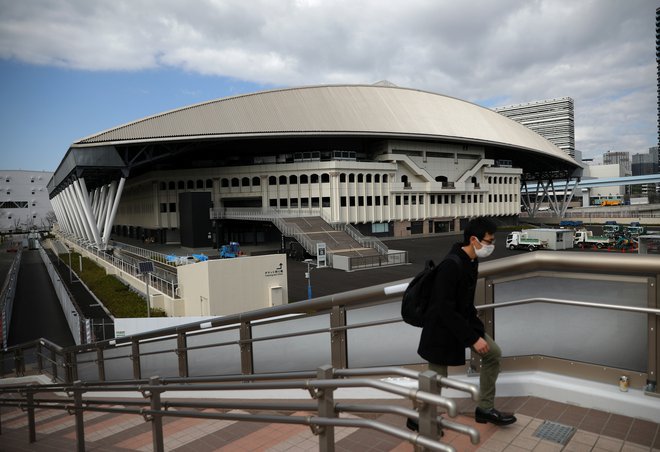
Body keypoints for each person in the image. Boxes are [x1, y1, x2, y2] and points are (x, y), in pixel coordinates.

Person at [411, 217, 516, 430]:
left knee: (492, 353)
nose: (492, 245)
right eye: (489, 241)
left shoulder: (471, 260)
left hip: (460, 324)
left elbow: (463, 303)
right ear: (474, 240)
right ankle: (419, 419)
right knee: (436, 378)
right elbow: (443, 309)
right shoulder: (451, 265)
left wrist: (475, 333)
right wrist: (472, 339)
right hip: (440, 330)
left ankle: (485, 408)